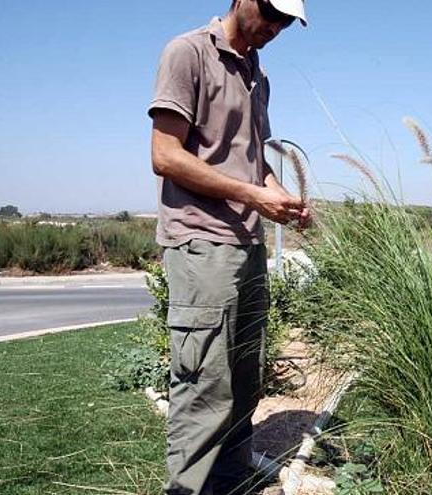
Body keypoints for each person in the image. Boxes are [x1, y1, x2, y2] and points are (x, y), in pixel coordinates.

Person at [148, 0, 309, 493]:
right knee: (204, 385)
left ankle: (230, 481)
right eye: (271, 13)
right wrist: (250, 194)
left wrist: (280, 197)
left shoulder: (258, 75)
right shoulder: (188, 53)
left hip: (247, 243)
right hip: (201, 242)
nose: (277, 27)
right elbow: (165, 156)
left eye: (287, 21)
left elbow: (253, 162)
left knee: (243, 379)